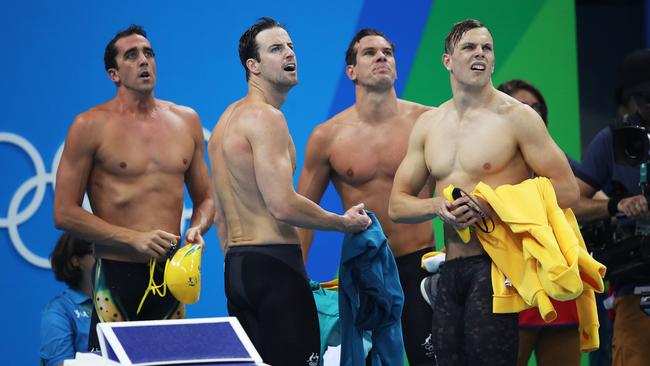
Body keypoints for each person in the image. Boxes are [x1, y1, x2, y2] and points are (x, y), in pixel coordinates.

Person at [388, 19, 578, 366]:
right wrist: (437, 205)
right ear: (448, 60)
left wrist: (494, 204)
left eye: (486, 48)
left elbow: (567, 190)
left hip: (496, 266)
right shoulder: (430, 125)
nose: (480, 54)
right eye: (469, 47)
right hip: (452, 267)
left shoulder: (517, 118)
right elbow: (397, 205)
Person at [208, 17, 371, 365]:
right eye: (276, 48)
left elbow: (220, 212)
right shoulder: (267, 118)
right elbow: (282, 204)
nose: (289, 54)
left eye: (291, 46)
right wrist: (342, 222)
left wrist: (244, 269)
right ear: (253, 66)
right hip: (275, 268)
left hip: (237, 269)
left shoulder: (224, 121)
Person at [53, 25, 215, 350]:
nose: (144, 61)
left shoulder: (186, 120)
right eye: (132, 55)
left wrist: (197, 228)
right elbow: (64, 213)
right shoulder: (89, 126)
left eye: (149, 54)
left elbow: (206, 198)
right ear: (114, 73)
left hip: (171, 278)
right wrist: (133, 238)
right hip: (116, 278)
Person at [297, 28, 435, 364]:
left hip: (419, 264)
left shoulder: (428, 121)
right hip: (364, 271)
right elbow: (302, 214)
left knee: (429, 359)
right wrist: (295, 281)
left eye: (387, 52)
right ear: (351, 71)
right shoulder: (327, 137)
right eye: (370, 53)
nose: (382, 58)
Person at [573, 48, 650, 366]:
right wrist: (618, 205)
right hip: (636, 283)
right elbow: (572, 205)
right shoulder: (613, 139)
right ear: (632, 97)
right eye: (645, 98)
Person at [497, 79, 581, 366]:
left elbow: (583, 196)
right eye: (523, 107)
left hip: (558, 287)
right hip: (511, 288)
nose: (532, 114)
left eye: (538, 108)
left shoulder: (557, 162)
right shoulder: (485, 160)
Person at [40, 233, 95, 366]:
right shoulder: (59, 310)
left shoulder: (118, 302)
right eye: (97, 251)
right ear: (76, 261)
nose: (105, 258)